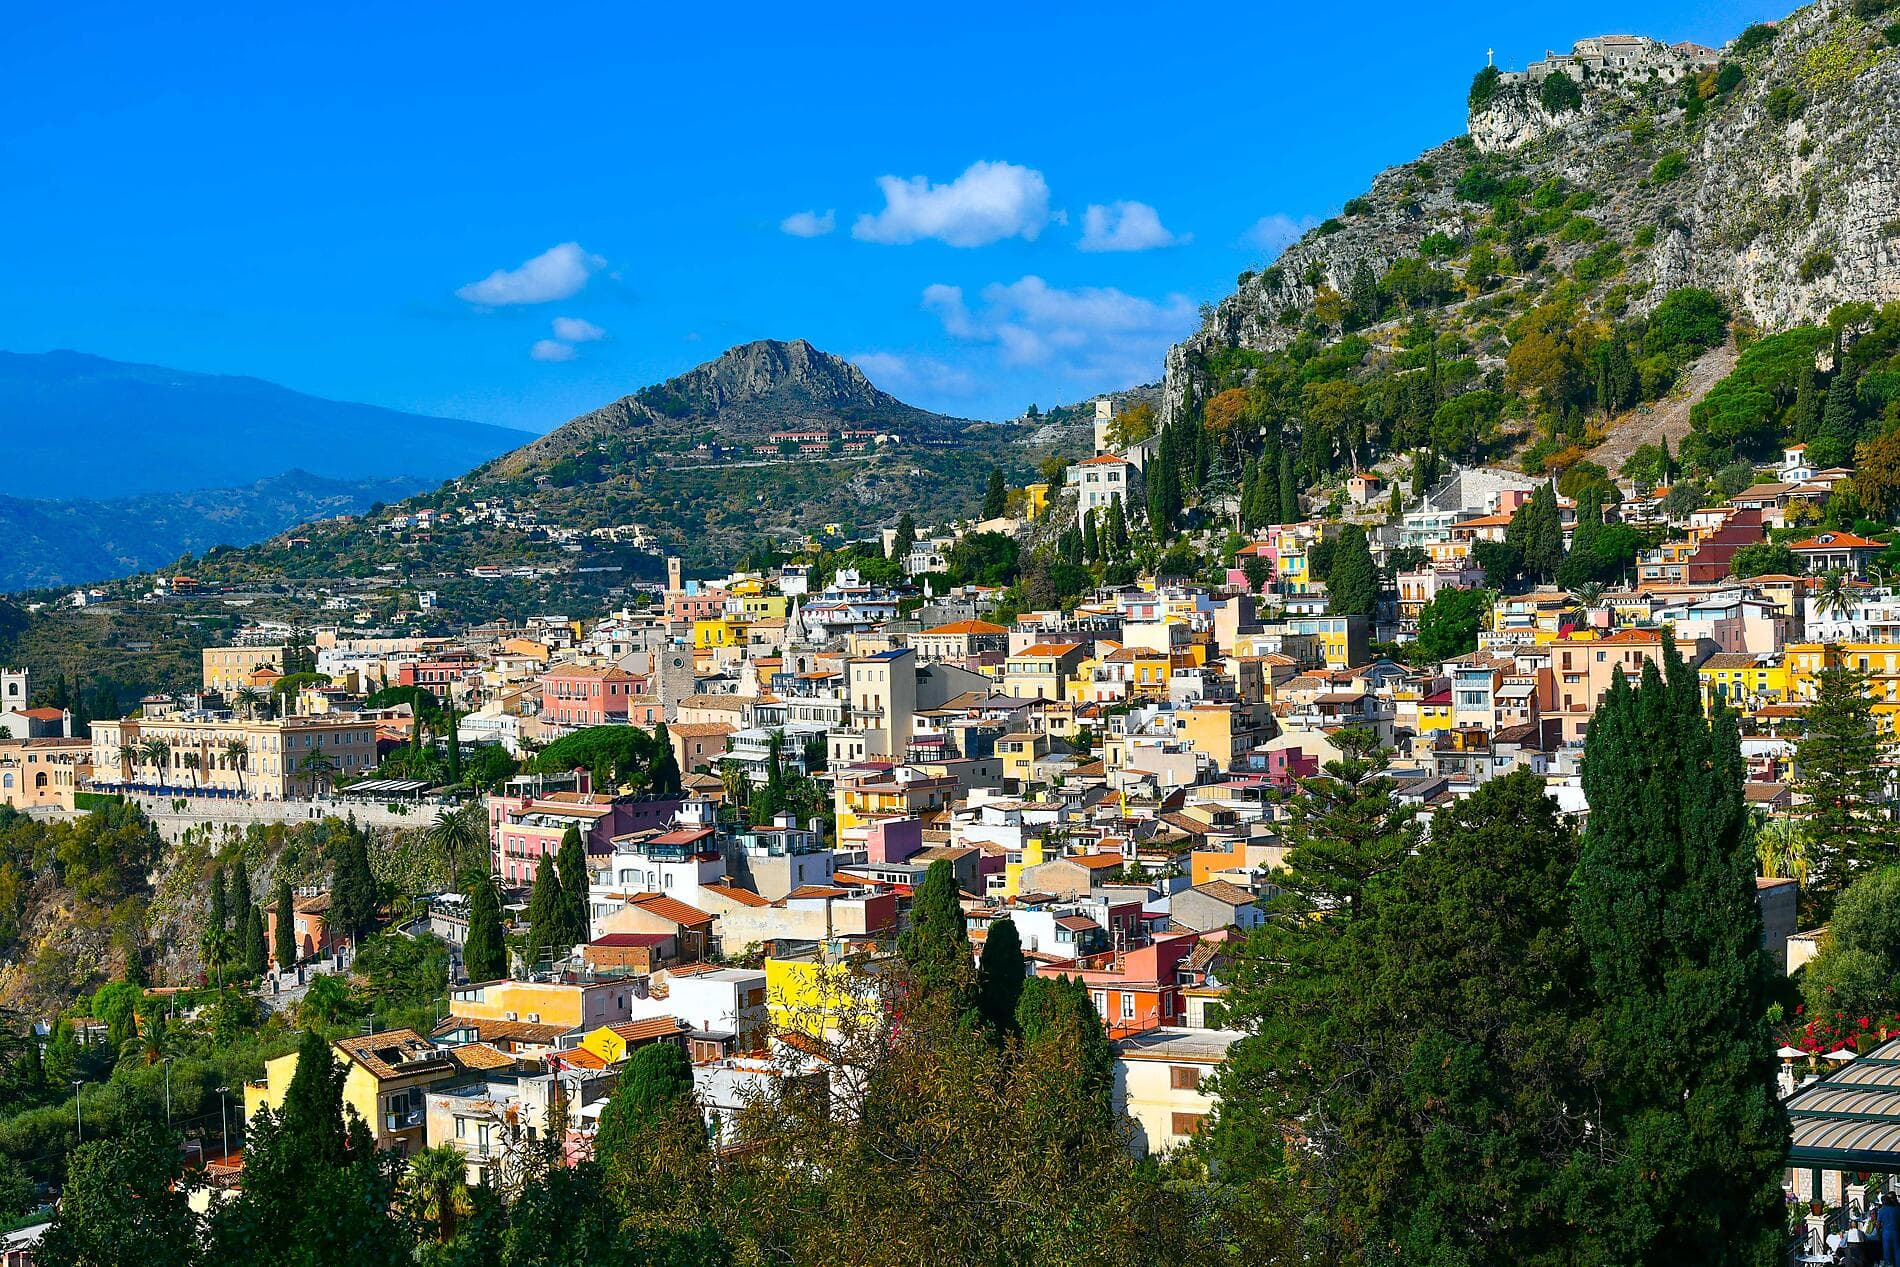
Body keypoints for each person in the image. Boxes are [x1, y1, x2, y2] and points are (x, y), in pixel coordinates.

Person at [1878, 1191, 1900, 1267]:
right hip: (1896, 1231)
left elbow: (1878, 1224)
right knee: (1897, 1250)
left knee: (1887, 1251)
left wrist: (1878, 1232)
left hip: (1886, 1233)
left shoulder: (1881, 1210)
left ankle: (1889, 1264)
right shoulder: (1897, 1209)